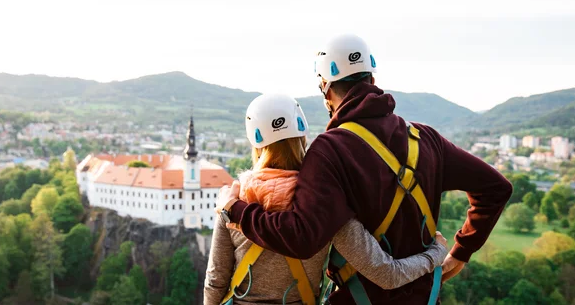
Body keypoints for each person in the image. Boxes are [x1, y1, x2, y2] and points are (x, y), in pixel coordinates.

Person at [216, 34, 513, 304]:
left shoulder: (329, 151)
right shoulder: (425, 139)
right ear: (372, 78)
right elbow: (496, 188)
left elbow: (303, 238)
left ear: (325, 88)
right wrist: (460, 251)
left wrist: (238, 211)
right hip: (426, 298)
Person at [205, 94, 448, 305]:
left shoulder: (233, 202)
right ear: (303, 136)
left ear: (255, 143)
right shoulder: (327, 204)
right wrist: (434, 255)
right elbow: (386, 274)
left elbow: (215, 282)